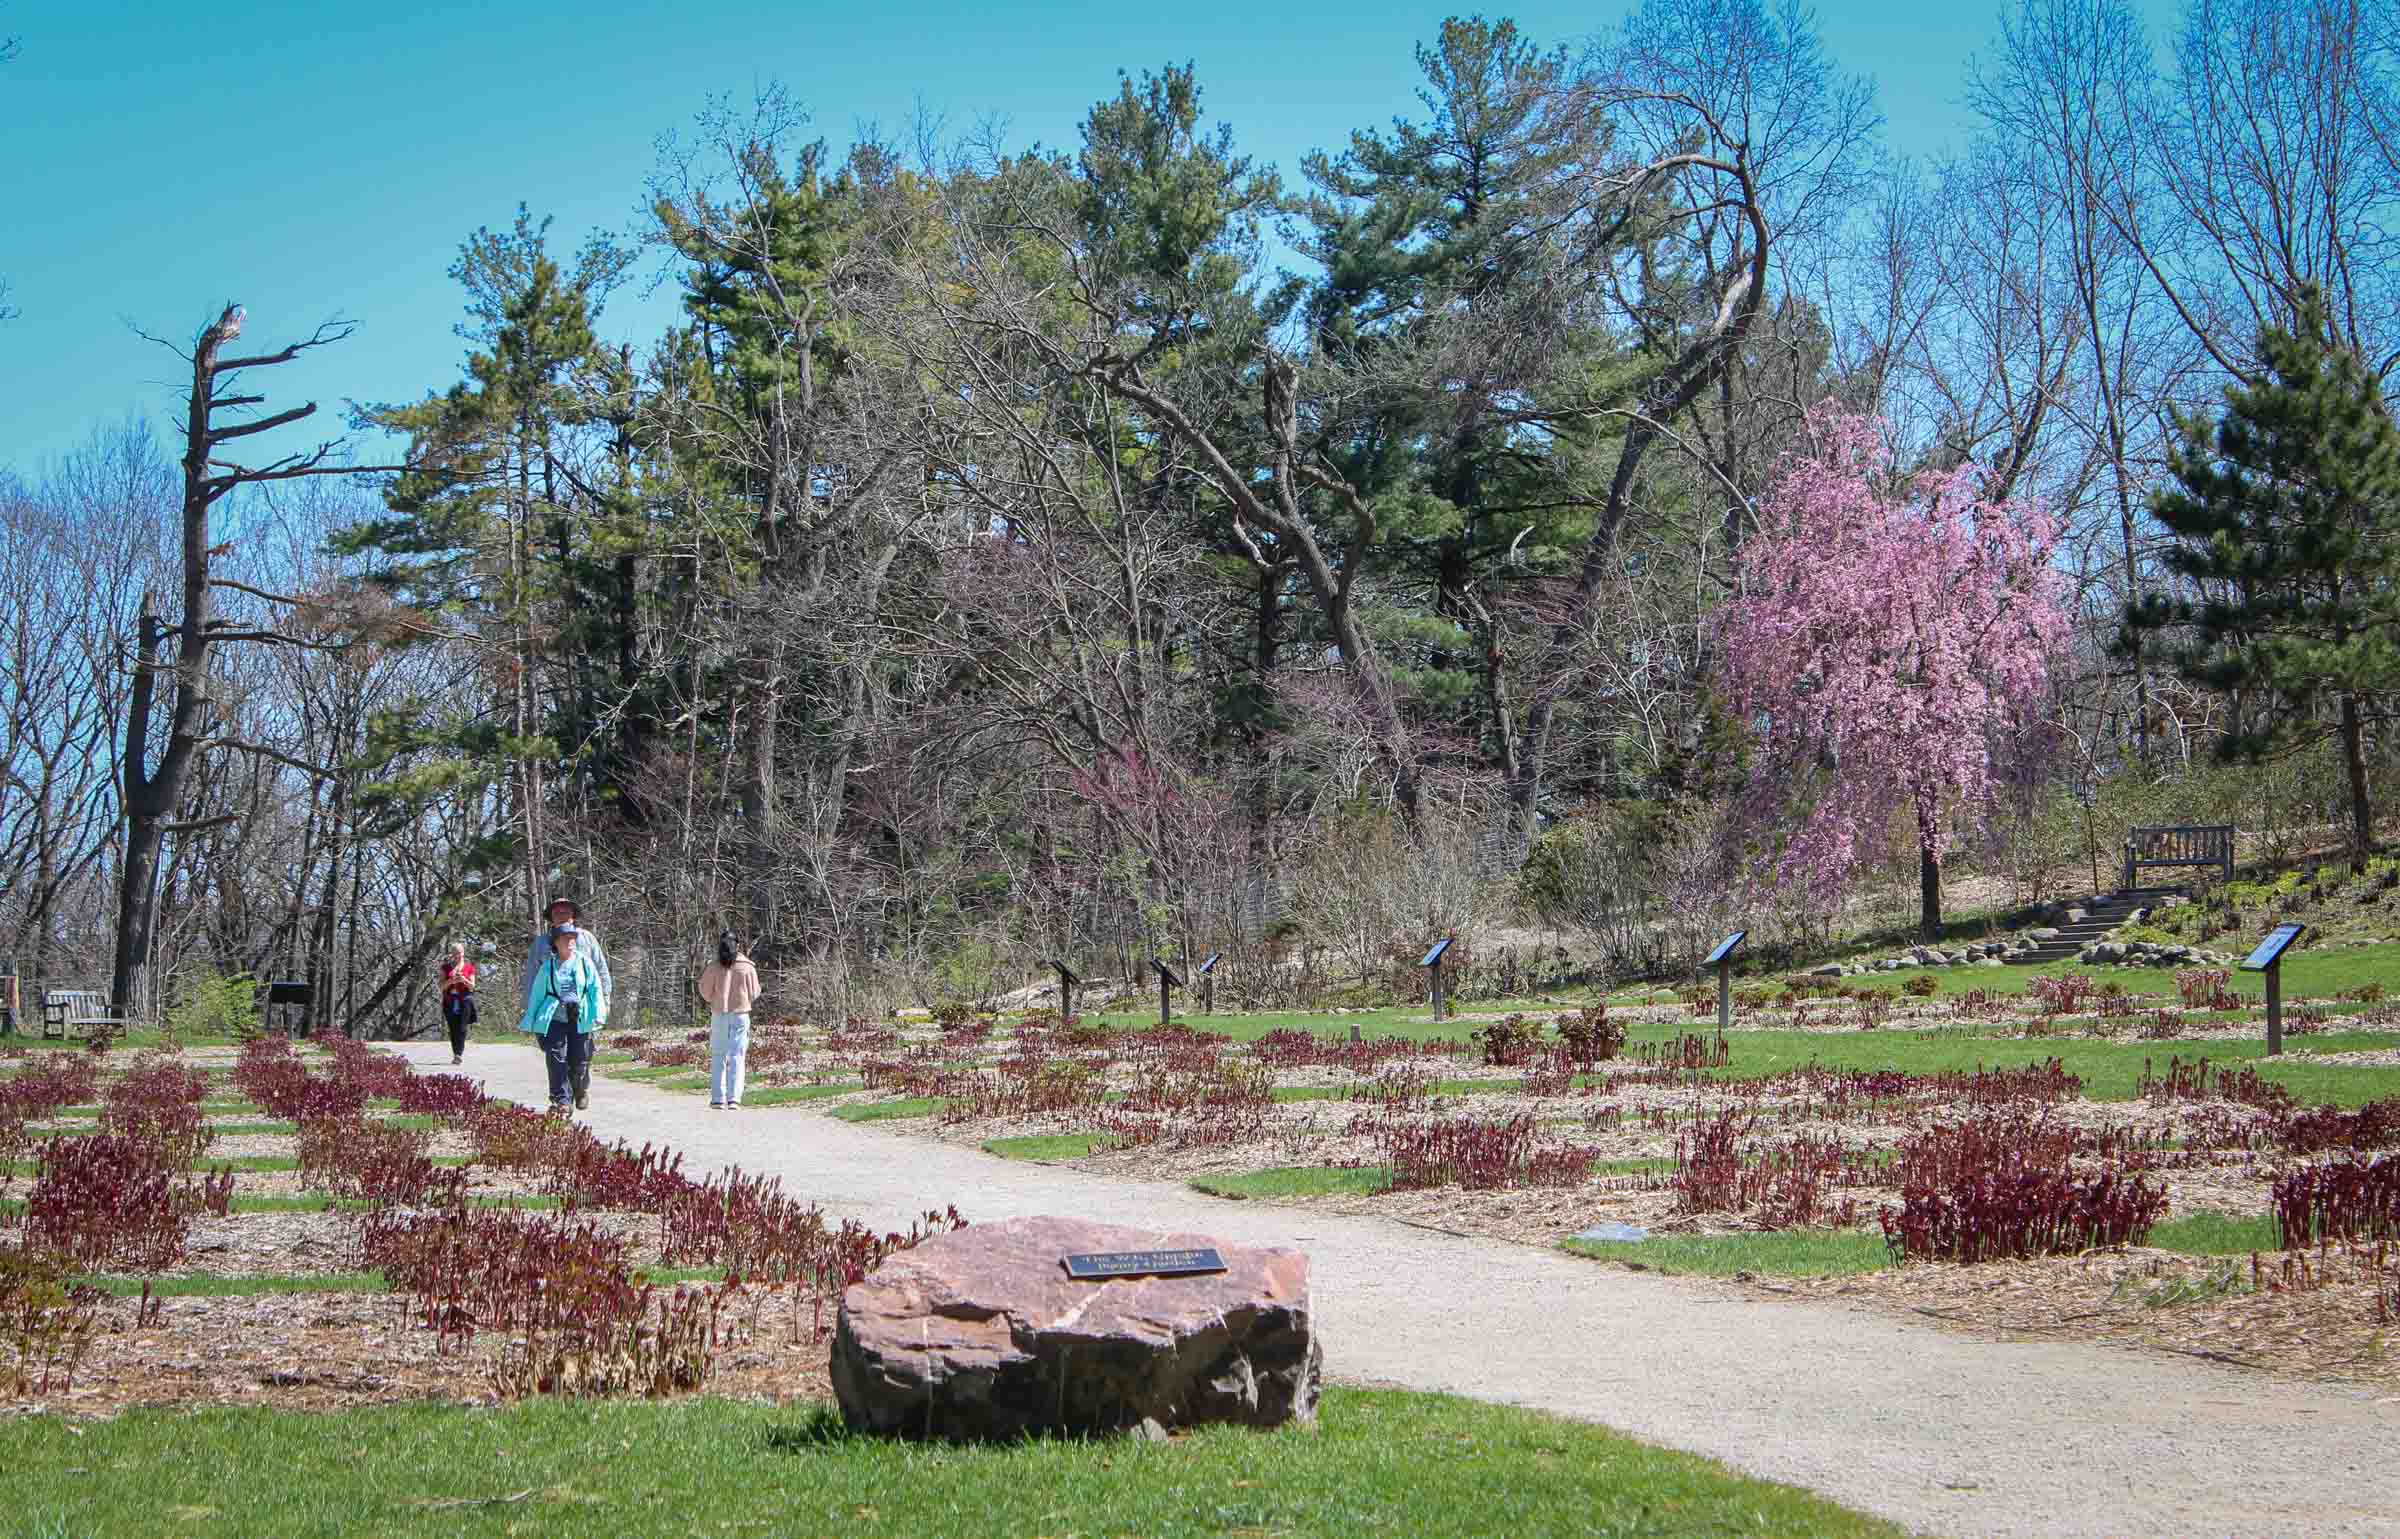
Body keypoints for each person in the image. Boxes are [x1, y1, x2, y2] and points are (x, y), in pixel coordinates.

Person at [517, 923, 608, 1113]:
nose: (571, 941)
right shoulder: (548, 967)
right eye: (566, 938)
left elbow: (595, 989)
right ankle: (562, 1101)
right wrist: (530, 1020)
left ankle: (580, 1089)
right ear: (556, 942)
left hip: (579, 1017)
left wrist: (599, 1014)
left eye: (573, 938)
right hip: (554, 1017)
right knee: (556, 1057)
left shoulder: (585, 963)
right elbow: (537, 994)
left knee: (579, 1061)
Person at [697, 931, 762, 1110]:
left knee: (718, 1054)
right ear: (738, 945)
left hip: (719, 1013)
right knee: (737, 1056)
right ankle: (734, 1099)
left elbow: (704, 991)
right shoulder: (747, 967)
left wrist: (715, 998)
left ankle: (718, 1098)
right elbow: (755, 992)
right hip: (740, 1014)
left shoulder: (713, 966)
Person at [523, 895, 611, 1019]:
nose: (562, 915)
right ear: (551, 918)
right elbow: (532, 976)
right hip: (549, 1011)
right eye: (557, 912)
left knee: (583, 1038)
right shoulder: (541, 943)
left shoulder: (587, 938)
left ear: (573, 916)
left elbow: (600, 969)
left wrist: (605, 1000)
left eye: (566, 912)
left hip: (584, 1008)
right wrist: (530, 1010)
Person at [439, 942, 478, 1066]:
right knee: (453, 1027)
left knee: (462, 1027)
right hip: (450, 1001)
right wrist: (451, 980)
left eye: (459, 953)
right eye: (455, 953)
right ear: (452, 954)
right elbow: (441, 986)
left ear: (463, 953)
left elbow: (472, 986)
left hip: (464, 1000)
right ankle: (455, 1052)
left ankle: (458, 1054)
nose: (457, 956)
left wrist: (464, 980)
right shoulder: (445, 968)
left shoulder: (469, 967)